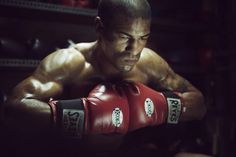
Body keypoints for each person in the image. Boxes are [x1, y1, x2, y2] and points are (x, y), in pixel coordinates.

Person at [2, 0, 206, 156]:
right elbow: (15, 107)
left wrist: (160, 107)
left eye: (143, 38)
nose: (134, 50)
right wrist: (87, 116)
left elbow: (199, 104)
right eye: (125, 37)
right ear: (100, 27)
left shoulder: (148, 63)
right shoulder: (71, 63)